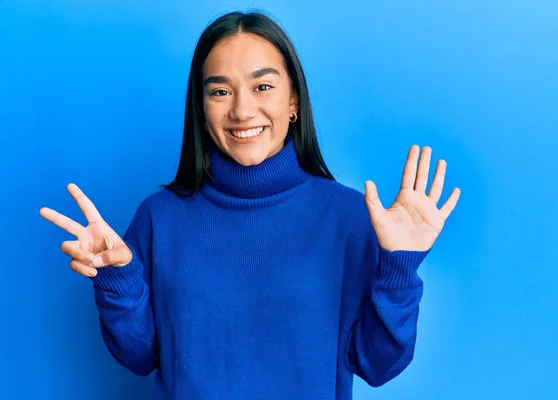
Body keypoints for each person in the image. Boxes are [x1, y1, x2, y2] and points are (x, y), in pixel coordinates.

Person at [39, 10, 460, 400]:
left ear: (293, 101)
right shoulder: (159, 218)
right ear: (202, 110)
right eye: (220, 91)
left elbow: (377, 364)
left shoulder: (348, 218)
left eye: (262, 86)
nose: (242, 110)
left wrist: (399, 267)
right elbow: (139, 356)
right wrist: (118, 279)